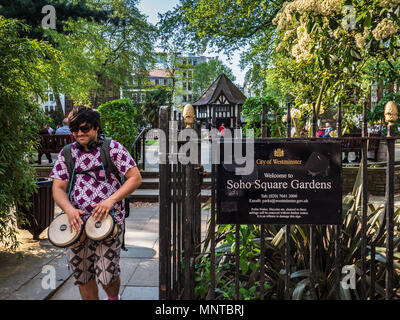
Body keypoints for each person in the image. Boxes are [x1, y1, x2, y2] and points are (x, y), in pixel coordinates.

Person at [50, 106, 142, 300]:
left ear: (96, 127)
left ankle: (113, 298)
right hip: (77, 224)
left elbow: (135, 178)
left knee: (107, 274)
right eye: (75, 129)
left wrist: (111, 201)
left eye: (84, 128)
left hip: (109, 223)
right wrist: (69, 210)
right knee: (82, 275)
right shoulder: (67, 154)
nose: (79, 133)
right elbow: (58, 188)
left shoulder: (112, 148)